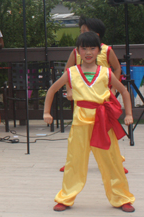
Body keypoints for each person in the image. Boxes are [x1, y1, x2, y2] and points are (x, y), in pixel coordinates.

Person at [44, 32, 135, 213]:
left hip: (103, 123)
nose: (88, 52)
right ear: (77, 51)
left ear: (99, 51)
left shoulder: (106, 73)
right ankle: (66, 197)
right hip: (80, 124)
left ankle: (122, 197)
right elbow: (52, 90)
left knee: (112, 161)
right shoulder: (71, 73)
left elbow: (124, 92)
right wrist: (46, 112)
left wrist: (129, 114)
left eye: (92, 48)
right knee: (74, 162)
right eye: (83, 48)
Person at [60, 16, 126, 173]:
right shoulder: (77, 51)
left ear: (96, 35)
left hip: (102, 98)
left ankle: (116, 162)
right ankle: (73, 162)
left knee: (106, 130)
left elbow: (117, 68)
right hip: (82, 98)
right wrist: (69, 90)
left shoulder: (107, 50)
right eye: (81, 31)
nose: (81, 33)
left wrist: (114, 89)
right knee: (79, 134)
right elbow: (67, 71)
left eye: (85, 31)